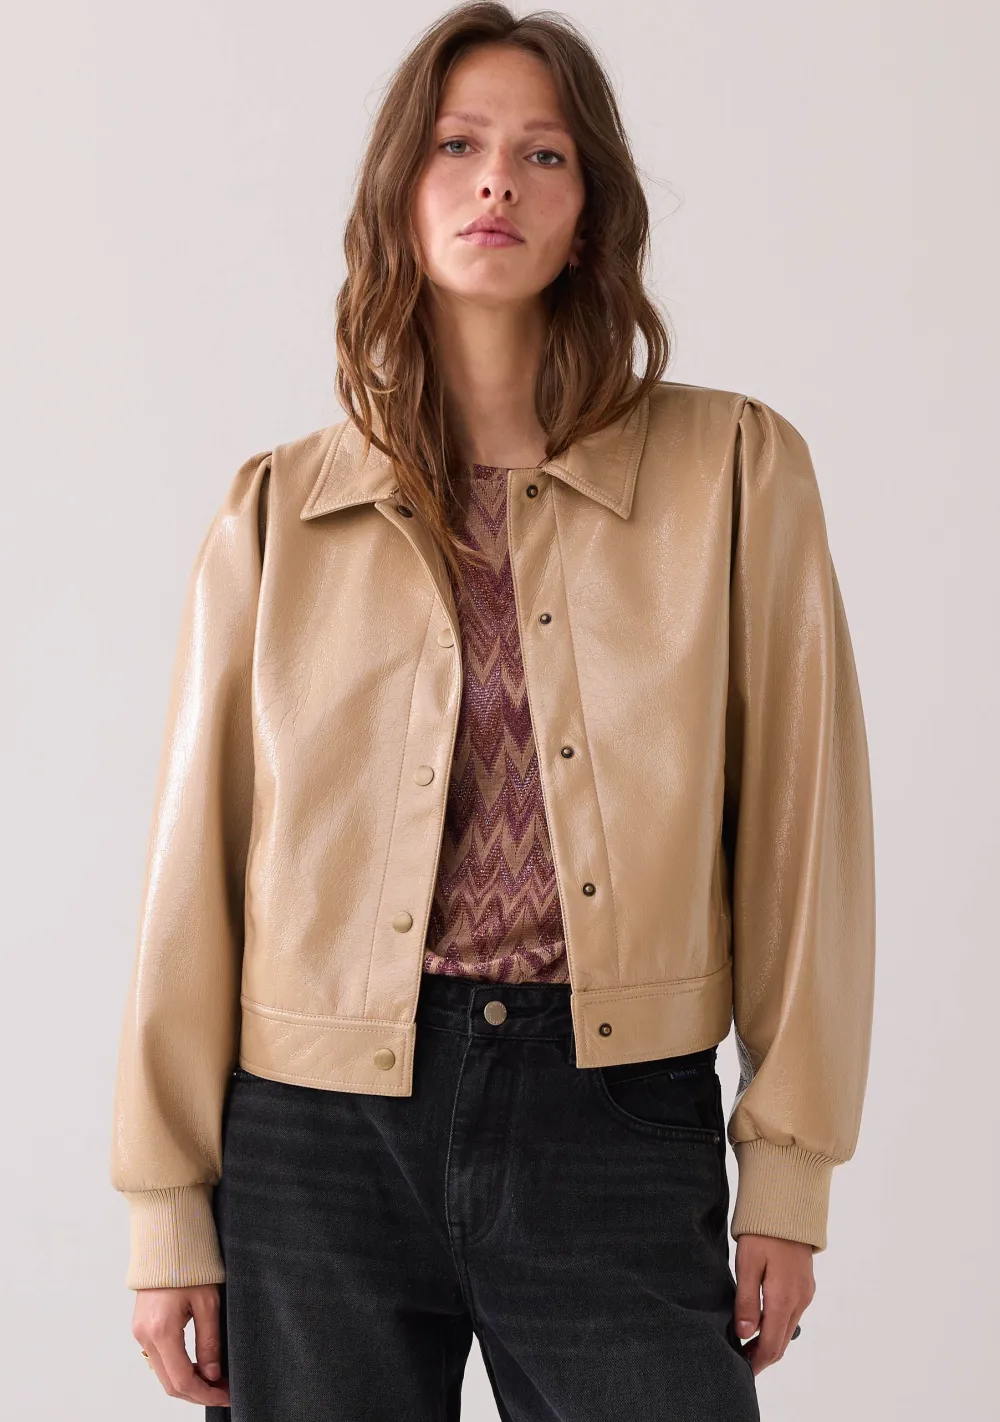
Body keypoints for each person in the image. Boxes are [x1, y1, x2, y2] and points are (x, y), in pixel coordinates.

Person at [110, 5, 876, 1418]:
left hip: (615, 1120)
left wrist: (789, 1169)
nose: (496, 183)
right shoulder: (277, 512)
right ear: (401, 198)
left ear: (589, 218)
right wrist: (168, 1206)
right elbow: (192, 876)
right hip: (315, 1143)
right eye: (458, 147)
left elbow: (803, 833)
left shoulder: (734, 474)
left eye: (543, 154)